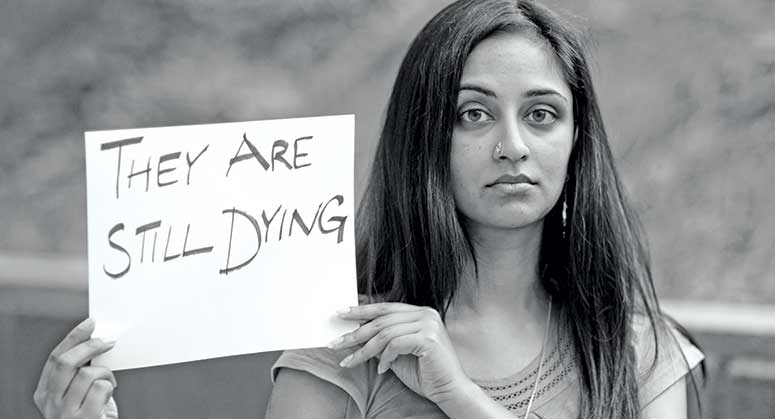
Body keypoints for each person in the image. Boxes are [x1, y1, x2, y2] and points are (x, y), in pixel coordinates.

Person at [34, 0, 704, 418]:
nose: (511, 146)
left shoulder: (637, 348)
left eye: (541, 114)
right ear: (423, 138)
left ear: (575, 137)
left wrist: (457, 395)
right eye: (472, 114)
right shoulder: (345, 349)